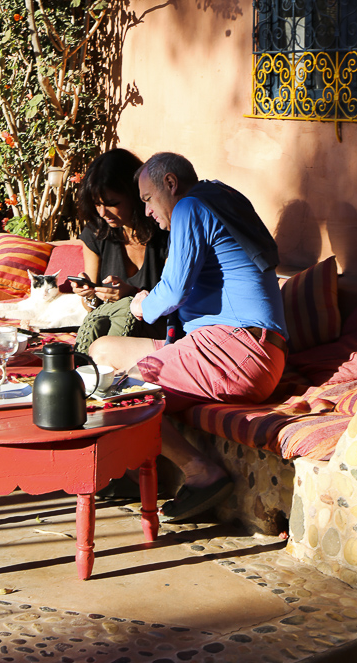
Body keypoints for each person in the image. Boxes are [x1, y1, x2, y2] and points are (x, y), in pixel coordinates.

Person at [90, 151, 288, 522]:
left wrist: (141, 306)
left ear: (170, 183)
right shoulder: (223, 196)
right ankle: (131, 472)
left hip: (236, 349)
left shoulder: (190, 206)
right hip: (245, 349)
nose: (147, 211)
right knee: (103, 351)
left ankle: (201, 471)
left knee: (120, 393)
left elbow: (174, 291)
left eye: (148, 199)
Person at [72, 149, 169, 353]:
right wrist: (89, 294)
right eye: (97, 204)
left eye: (112, 204)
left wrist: (133, 294)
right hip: (109, 334)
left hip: (158, 334)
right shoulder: (96, 233)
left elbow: (174, 301)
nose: (102, 213)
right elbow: (92, 308)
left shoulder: (165, 231)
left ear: (136, 194)